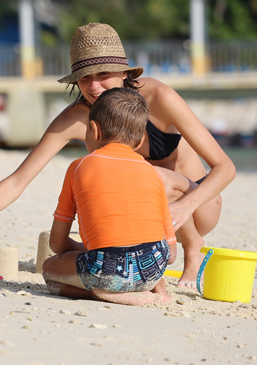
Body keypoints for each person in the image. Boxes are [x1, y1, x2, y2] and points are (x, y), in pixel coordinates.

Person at [0, 23, 235, 289]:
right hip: (144, 217)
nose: (94, 87)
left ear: (124, 72)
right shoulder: (77, 118)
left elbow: (225, 167)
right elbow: (18, 181)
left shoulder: (159, 98)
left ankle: (194, 247)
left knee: (150, 178)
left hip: (197, 206)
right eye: (84, 78)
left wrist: (186, 205)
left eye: (103, 75)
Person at [42, 87, 178, 306]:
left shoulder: (78, 167)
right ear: (141, 139)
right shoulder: (153, 172)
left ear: (94, 130)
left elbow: (57, 244)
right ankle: (157, 289)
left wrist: (91, 247)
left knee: (50, 270)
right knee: (143, 255)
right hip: (152, 268)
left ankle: (104, 294)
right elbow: (171, 254)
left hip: (106, 269)